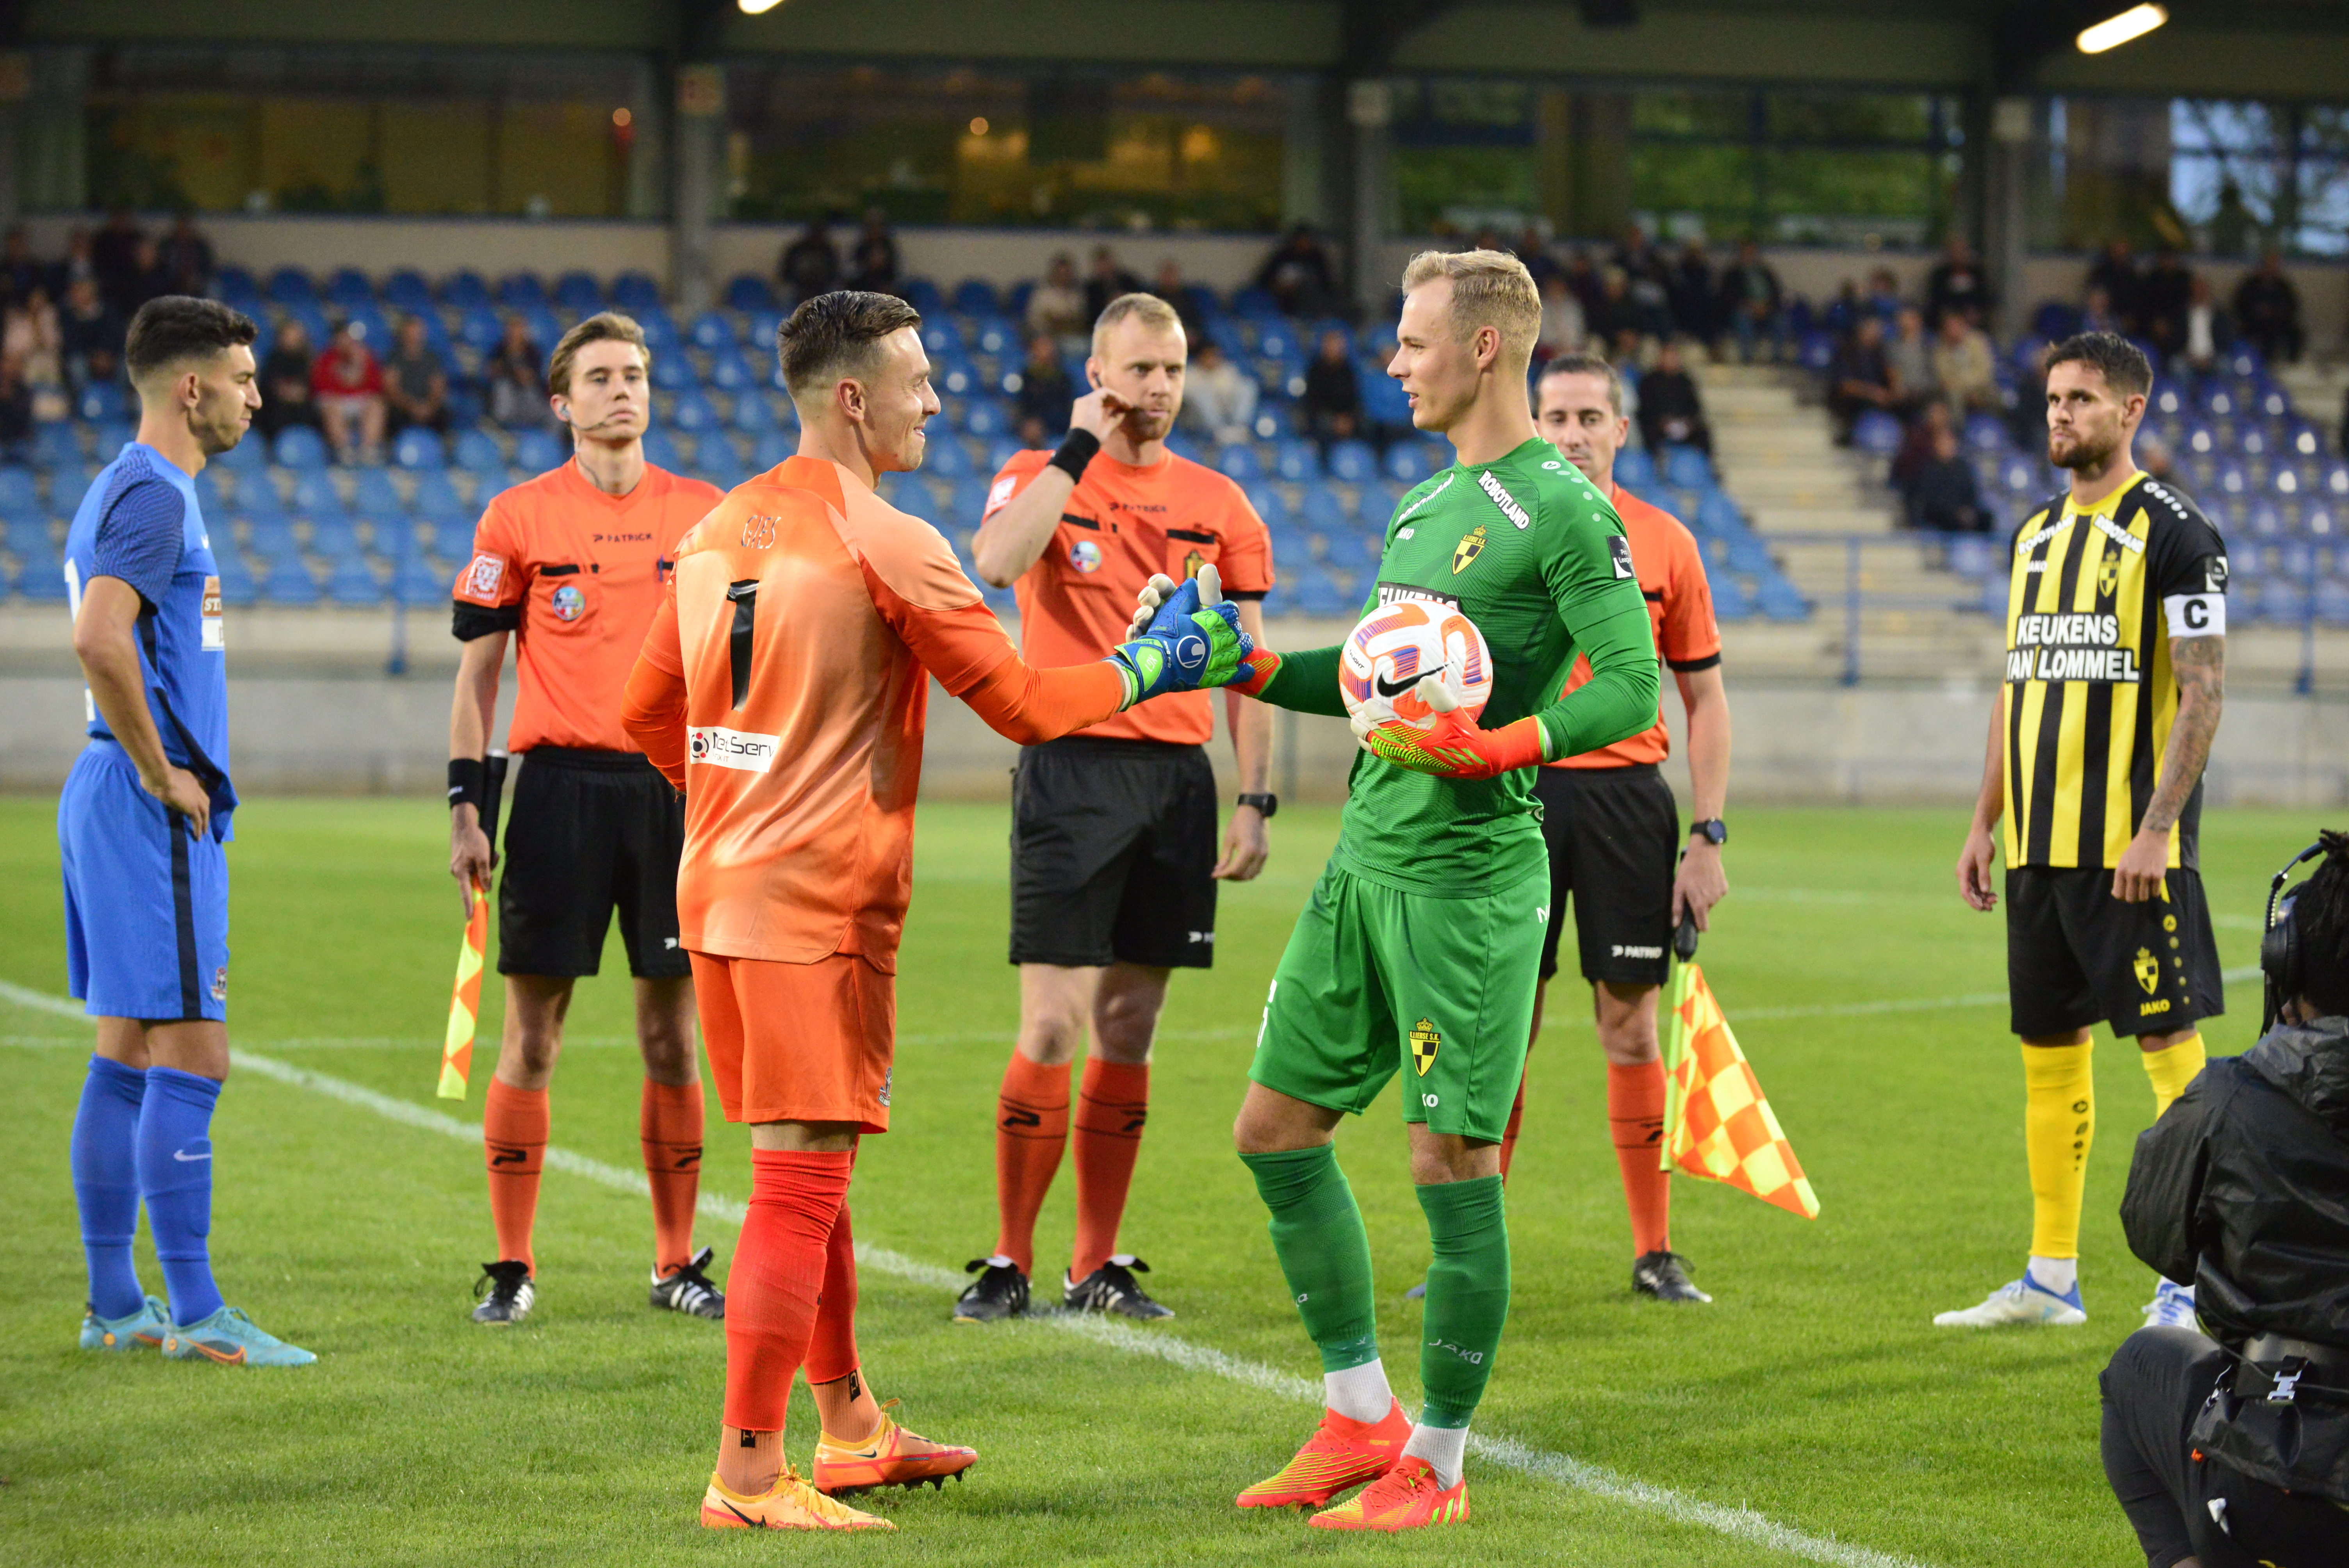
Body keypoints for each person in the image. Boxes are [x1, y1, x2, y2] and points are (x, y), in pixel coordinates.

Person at [617, 287, 1253, 1529]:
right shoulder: (886, 536)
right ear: (853, 397)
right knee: (803, 1175)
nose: (936, 399)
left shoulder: (713, 529)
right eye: (917, 380)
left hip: (723, 886)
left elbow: (649, 717)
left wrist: (747, 793)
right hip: (818, 900)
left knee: (809, 1159)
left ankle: (849, 1424)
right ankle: (749, 1475)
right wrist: (1152, 666)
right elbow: (1018, 704)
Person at [1223, 248, 1657, 1529]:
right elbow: (1361, 681)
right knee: (1271, 1128)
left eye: (1411, 342)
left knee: (1450, 1153)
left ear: (1480, 349)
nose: (1392, 361)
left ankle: (1440, 1463)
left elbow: (1628, 687)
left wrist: (1501, 744)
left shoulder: (1566, 510)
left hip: (1469, 875)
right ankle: (1358, 1414)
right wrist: (1237, 662)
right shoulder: (1423, 503)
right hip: (1365, 857)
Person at [961, 291, 1276, 1324]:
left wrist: (1255, 798)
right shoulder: (1041, 474)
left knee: (1131, 1025)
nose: (1159, 389)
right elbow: (999, 564)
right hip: (1070, 767)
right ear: (1098, 374)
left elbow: (1250, 664)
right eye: (1140, 369)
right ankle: (1008, 1256)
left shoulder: (1221, 502)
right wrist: (1073, 451)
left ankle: (1094, 1265)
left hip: (1177, 783)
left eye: (1174, 370)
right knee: (1053, 1023)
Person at [445, 312, 727, 1328]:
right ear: (562, 402)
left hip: (673, 795)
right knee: (533, 1037)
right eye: (602, 377)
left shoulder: (704, 515)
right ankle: (512, 1265)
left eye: (636, 375)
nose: (623, 391)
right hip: (557, 793)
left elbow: (740, 671)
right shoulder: (517, 517)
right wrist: (467, 808)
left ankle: (674, 1261)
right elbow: (478, 681)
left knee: (671, 1038)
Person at [1945, 331, 2229, 1331]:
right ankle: (2050, 1276)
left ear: (2129, 412)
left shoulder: (2177, 533)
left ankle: (2194, 1280)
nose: (2060, 414)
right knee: (2048, 1051)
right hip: (2035, 847)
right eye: (2053, 398)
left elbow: (2202, 689)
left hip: (2127, 850)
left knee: (2167, 1046)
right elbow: (2015, 685)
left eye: (2081, 399)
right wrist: (1984, 819)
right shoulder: (2029, 534)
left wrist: (2157, 828)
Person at [61, 295, 314, 1367]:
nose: (260, 398)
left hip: (111, 791)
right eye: (245, 381)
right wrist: (166, 772)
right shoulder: (155, 499)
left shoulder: (136, 490)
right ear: (192, 387)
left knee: (126, 1049)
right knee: (196, 1053)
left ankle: (119, 1307)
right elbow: (98, 637)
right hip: (141, 800)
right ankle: (200, 1316)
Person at [1518, 351, 1730, 1302]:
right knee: (1498, 1027)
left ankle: (1653, 1248)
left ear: (1619, 429)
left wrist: (1708, 834)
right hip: (1513, 789)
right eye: (1555, 416)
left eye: (1587, 418)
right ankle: (1471, 1243)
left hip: (1626, 799)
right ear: (1533, 422)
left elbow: (1706, 699)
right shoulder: (1494, 527)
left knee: (1630, 1025)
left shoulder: (1666, 542)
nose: (1570, 433)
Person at [2101, 830, 2349, 1566]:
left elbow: (2155, 1235)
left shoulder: (2227, 1097)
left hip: (2279, 1475)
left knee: (2135, 1371)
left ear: (2285, 962)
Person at [310, 319, 385, 465]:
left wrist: (359, 367)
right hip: (335, 400)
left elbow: (376, 386)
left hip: (359, 400)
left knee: (376, 405)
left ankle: (369, 450)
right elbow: (321, 386)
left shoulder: (365, 356)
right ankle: (344, 450)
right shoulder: (326, 359)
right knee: (331, 406)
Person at [1826, 315, 1898, 442]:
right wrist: (1873, 393)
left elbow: (1890, 378)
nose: (1877, 335)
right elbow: (1845, 385)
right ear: (1862, 331)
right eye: (1873, 330)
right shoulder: (1846, 352)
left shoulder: (1879, 353)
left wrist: (1893, 388)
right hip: (1854, 400)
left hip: (1879, 398)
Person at [1634, 339, 1709, 458]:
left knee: (1703, 432)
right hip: (1659, 425)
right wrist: (1662, 422)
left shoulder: (1685, 381)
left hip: (1683, 424)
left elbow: (1694, 406)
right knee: (1649, 431)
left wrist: (1688, 422)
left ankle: (1708, 466)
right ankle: (1656, 463)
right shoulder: (1649, 381)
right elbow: (1646, 407)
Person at [1907, 424, 1988, 533]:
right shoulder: (1927, 469)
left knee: (1986, 518)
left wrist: (1967, 510)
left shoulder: (1963, 468)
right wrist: (1954, 511)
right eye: (1942, 442)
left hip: (1963, 512)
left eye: (1949, 442)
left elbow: (1971, 494)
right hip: (1939, 515)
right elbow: (1927, 499)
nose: (1946, 445)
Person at [1713, 240, 1781, 364]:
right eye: (1747, 252)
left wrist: (1767, 307)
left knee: (1782, 320)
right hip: (1744, 311)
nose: (1750, 255)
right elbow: (1729, 297)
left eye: (1753, 252)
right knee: (1742, 318)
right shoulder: (1732, 273)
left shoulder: (1765, 272)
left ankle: (1777, 359)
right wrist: (1751, 306)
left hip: (1767, 311)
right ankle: (1748, 358)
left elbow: (1777, 293)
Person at [382, 314, 450, 437]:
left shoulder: (432, 358)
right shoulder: (393, 357)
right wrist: (412, 407)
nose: (414, 337)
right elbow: (391, 389)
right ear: (404, 334)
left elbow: (438, 387)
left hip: (427, 405)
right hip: (403, 407)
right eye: (411, 333)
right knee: (392, 415)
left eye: (417, 333)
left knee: (444, 413)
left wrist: (429, 406)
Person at [1181, 338, 1257, 447]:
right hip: (1196, 422)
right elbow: (1187, 399)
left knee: (1248, 386)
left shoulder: (1226, 370)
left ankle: (1240, 428)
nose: (1212, 359)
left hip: (1226, 415)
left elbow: (1231, 393)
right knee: (1202, 393)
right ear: (1201, 357)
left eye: (1215, 355)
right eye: (1209, 356)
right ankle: (1220, 432)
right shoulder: (1190, 373)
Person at [254, 319, 321, 440]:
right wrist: (285, 391)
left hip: (303, 405)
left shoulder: (308, 359)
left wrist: (300, 393)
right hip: (275, 405)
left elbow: (311, 385)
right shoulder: (273, 358)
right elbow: (269, 383)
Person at [2233, 252, 2303, 366]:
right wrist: (2258, 311)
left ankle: (2292, 364)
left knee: (2296, 333)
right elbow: (2240, 305)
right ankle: (2261, 366)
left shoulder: (2283, 285)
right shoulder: (2250, 285)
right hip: (2254, 322)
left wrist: (2277, 312)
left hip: (2278, 322)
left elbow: (2293, 305)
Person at [61, 277, 126, 394]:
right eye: (75, 291)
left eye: (82, 290)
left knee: (126, 363)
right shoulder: (69, 315)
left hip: (110, 356)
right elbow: (71, 343)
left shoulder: (109, 311)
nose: (78, 295)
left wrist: (108, 355)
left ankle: (120, 402)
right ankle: (86, 402)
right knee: (77, 366)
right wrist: (93, 357)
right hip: (86, 357)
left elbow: (118, 337)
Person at [1929, 309, 1999, 418]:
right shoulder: (1940, 349)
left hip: (1979, 386)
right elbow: (1944, 377)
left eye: (1955, 326)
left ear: (1964, 327)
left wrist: (1964, 384)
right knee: (1953, 396)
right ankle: (1958, 429)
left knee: (1995, 394)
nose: (1952, 330)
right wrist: (1961, 387)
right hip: (1956, 391)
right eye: (1949, 327)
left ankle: (1997, 428)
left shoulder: (1978, 342)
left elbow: (1984, 372)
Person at [1256, 225, 1336, 318]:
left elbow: (1327, 284)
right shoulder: (1284, 257)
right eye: (1301, 241)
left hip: (1313, 303)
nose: (1304, 244)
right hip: (1284, 303)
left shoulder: (1317, 258)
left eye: (1307, 241)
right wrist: (1280, 286)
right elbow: (1264, 280)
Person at [1011, 333, 1072, 449]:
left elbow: (1065, 406)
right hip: (1034, 423)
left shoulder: (1062, 376)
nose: (1045, 350)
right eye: (1040, 347)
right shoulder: (1027, 375)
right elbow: (1023, 405)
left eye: (1047, 346)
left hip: (1058, 423)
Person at [1301, 328, 1361, 444]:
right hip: (1323, 418)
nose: (1334, 348)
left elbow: (1354, 399)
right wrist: (1333, 421)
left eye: (1337, 344)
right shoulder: (1315, 370)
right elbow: (1312, 402)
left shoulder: (1349, 370)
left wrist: (1347, 419)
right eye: (1330, 344)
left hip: (1346, 419)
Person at [486, 314, 546, 430]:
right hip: (506, 390)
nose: (515, 333)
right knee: (503, 387)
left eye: (519, 329)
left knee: (531, 393)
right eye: (512, 329)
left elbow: (531, 377)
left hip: (526, 392)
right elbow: (491, 372)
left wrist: (518, 373)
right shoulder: (500, 349)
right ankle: (502, 426)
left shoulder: (533, 351)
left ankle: (533, 427)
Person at [1925, 236, 1990, 330]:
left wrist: (1976, 312)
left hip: (1972, 316)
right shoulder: (1940, 275)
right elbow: (1935, 299)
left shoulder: (1977, 274)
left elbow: (1984, 297)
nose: (1958, 255)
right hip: (1947, 315)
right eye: (1955, 252)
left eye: (1962, 252)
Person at [2139, 252, 2194, 361]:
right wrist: (2157, 322)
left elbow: (2185, 305)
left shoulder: (2183, 279)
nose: (2168, 263)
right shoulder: (2152, 279)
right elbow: (2146, 304)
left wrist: (2171, 323)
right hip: (2153, 324)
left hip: (2178, 324)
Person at [1025, 253, 1088, 344]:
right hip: (1047, 338)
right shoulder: (1043, 294)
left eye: (1067, 273)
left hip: (1073, 338)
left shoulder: (1077, 295)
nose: (1064, 277)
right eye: (1061, 274)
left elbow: (1081, 320)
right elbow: (1036, 322)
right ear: (1054, 274)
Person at [1884, 306, 1935, 417]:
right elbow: (1892, 370)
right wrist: (1899, 388)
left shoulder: (1930, 344)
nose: (1905, 323)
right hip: (1905, 392)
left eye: (1909, 319)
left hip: (1928, 390)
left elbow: (1936, 370)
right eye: (1903, 319)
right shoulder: (1893, 346)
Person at [778, 218, 840, 308]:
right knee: (785, 292)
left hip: (822, 287)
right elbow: (785, 272)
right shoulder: (797, 250)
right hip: (798, 286)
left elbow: (835, 274)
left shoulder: (828, 251)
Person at [2178, 276, 2230, 378]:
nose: (2199, 294)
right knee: (2178, 367)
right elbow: (2176, 339)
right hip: (2188, 358)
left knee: (2227, 366)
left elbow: (2226, 338)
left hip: (2215, 357)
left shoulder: (2220, 315)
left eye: (2202, 290)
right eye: (2196, 291)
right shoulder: (2182, 314)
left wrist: (2212, 357)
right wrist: (2187, 355)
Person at [2087, 239, 2142, 335]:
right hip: (2107, 316)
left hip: (2125, 319)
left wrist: (2130, 316)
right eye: (2117, 249)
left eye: (2123, 250)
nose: (2120, 253)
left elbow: (2136, 298)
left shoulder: (2131, 275)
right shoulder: (2101, 273)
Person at [156, 215, 214, 299]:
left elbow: (208, 266)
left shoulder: (200, 246)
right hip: (173, 282)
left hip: (198, 280)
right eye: (181, 228)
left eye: (186, 228)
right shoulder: (167, 245)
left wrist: (198, 278)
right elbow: (162, 267)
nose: (184, 231)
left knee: (213, 288)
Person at [1082, 245, 1142, 326]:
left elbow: (1140, 302)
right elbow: (1091, 313)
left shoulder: (1128, 282)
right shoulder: (1092, 288)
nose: (1105, 267)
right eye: (1101, 264)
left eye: (1106, 263)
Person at [1535, 273, 1586, 364]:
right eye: (1553, 288)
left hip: (1571, 348)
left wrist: (1568, 347)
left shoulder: (1572, 306)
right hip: (1549, 351)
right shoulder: (1542, 307)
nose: (1556, 291)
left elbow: (1577, 329)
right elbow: (1542, 333)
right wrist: (1555, 347)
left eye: (1558, 288)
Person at [1150, 258, 1205, 341]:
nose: (1169, 278)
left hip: (1186, 337)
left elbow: (1195, 322)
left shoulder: (1186, 297)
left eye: (1172, 275)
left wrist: (1190, 333)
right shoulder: (1153, 298)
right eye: (1166, 274)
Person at [847, 209, 898, 294]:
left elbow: (893, 269)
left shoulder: (887, 246)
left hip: (883, 281)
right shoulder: (863, 246)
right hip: (864, 282)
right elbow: (855, 265)